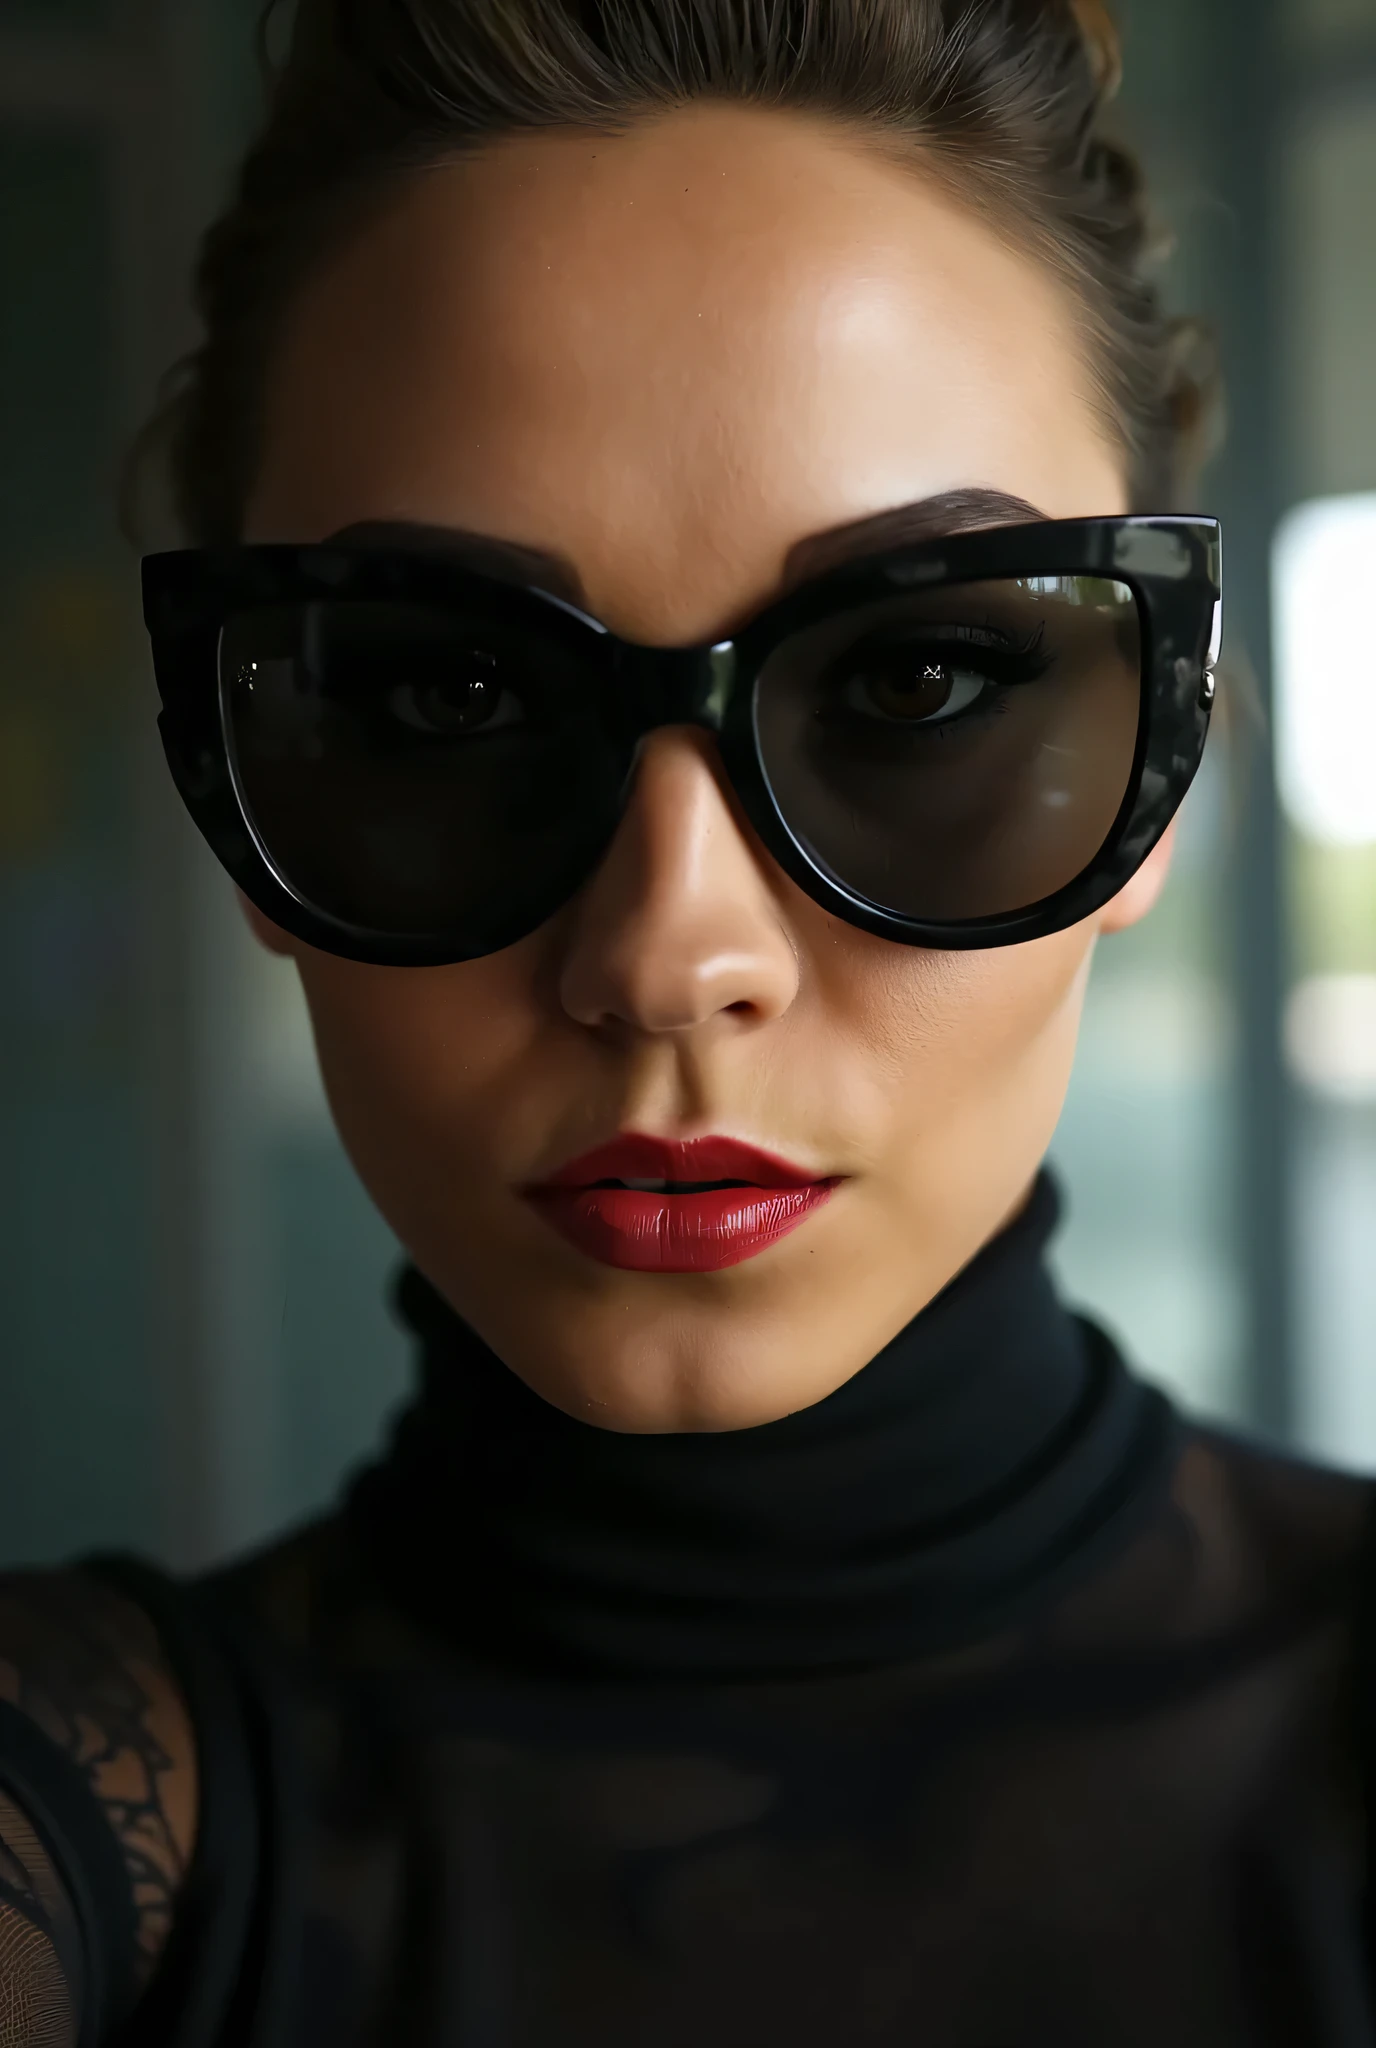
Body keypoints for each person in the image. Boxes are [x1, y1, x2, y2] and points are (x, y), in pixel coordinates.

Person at [1, 0, 1369, 2042]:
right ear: (235, 771)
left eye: (917, 681)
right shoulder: (89, 1819)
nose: (668, 953)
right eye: (443, 697)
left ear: (1171, 757)